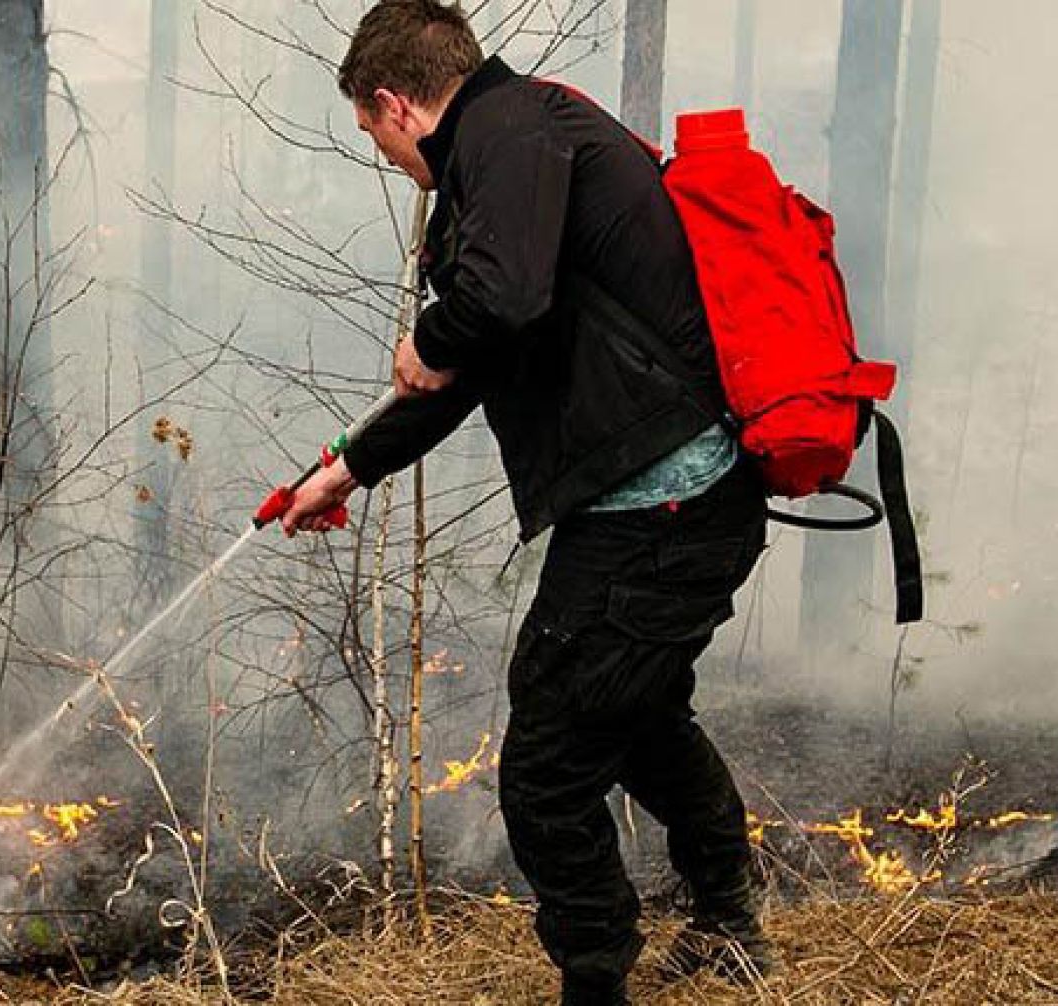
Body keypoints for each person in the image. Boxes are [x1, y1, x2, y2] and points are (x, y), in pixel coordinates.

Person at [279, 2, 776, 1003]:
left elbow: (489, 310)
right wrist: (349, 467)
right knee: (634, 717)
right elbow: (475, 354)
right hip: (668, 497)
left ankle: (598, 980)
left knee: (547, 763)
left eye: (375, 139)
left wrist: (432, 332)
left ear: (393, 103)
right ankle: (729, 924)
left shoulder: (507, 133)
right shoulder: (513, 148)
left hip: (665, 502)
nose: (386, 160)